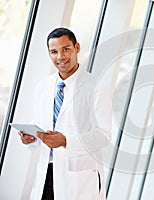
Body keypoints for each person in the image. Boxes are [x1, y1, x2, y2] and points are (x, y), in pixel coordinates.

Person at [18, 27, 112, 200]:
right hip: (47, 172)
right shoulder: (43, 87)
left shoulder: (97, 87)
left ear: (77, 47)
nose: (60, 56)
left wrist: (66, 141)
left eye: (66, 49)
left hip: (79, 175)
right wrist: (31, 137)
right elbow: (42, 124)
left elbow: (103, 135)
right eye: (54, 51)